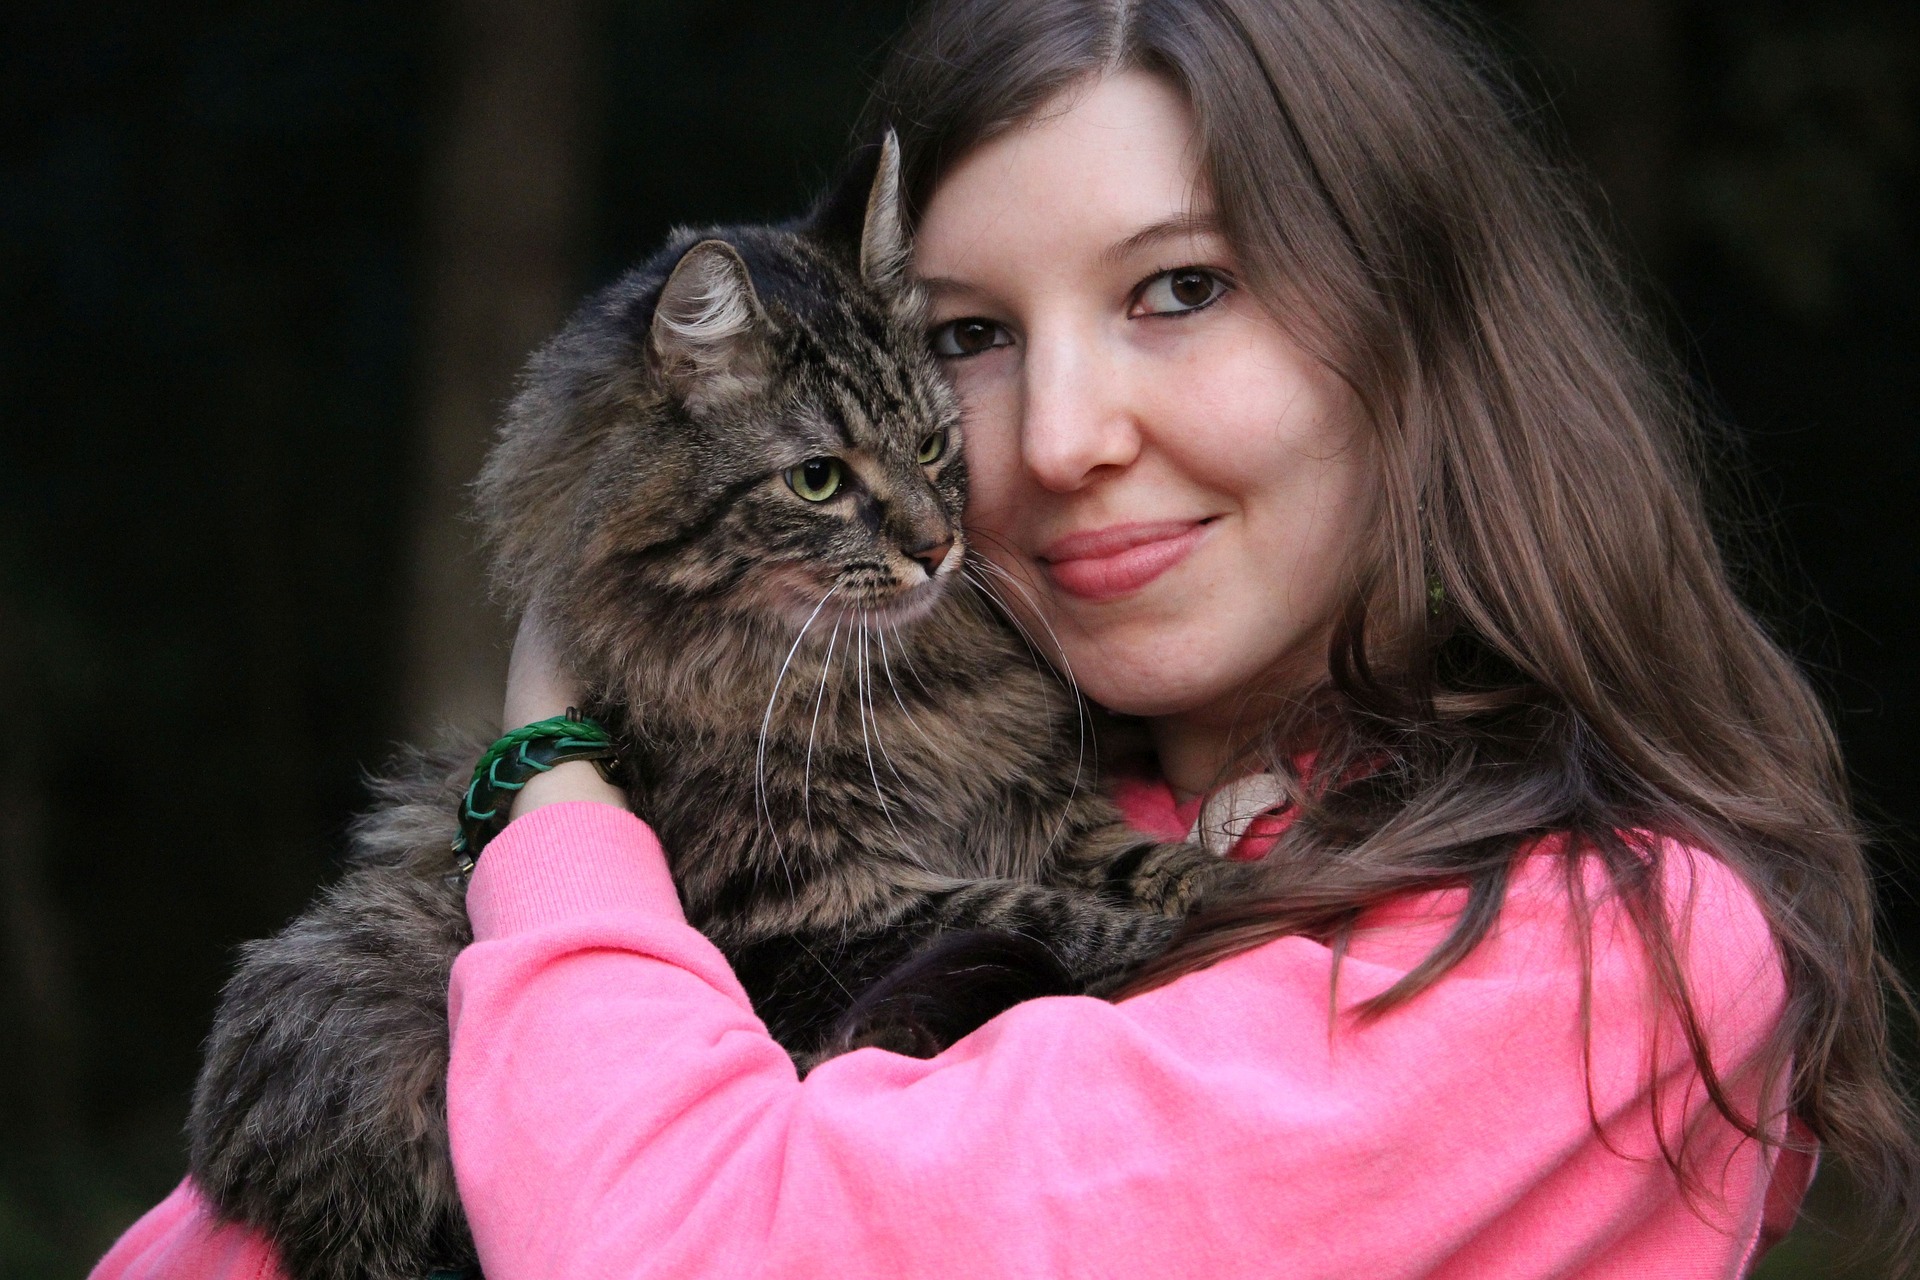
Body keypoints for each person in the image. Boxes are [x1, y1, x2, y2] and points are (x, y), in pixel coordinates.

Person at [94, 0, 1920, 1276]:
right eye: (969, 335)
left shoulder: (1600, 942)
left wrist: (551, 787)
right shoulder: (1017, 767)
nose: (1054, 441)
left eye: (1180, 289)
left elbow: (687, 1248)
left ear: (1425, 332)